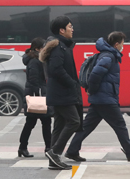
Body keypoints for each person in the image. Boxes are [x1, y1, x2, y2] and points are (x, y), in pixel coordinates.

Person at [66, 32, 130, 162]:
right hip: (105, 99)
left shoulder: (108, 55)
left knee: (87, 126)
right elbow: (95, 74)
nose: (123, 46)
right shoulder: (108, 57)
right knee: (120, 125)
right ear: (116, 44)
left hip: (101, 98)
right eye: (122, 43)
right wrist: (92, 90)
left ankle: (72, 150)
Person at [39, 15, 81, 171]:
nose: (72, 29)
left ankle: (53, 161)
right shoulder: (58, 47)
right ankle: (55, 152)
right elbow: (55, 69)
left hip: (59, 93)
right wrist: (71, 83)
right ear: (61, 30)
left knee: (59, 125)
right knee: (74, 121)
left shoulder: (62, 45)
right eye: (70, 26)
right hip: (61, 93)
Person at [18, 37, 52, 158]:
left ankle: (24, 147)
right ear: (37, 49)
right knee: (40, 122)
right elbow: (34, 81)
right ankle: (47, 148)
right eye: (43, 47)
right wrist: (39, 95)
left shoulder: (37, 59)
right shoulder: (34, 61)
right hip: (36, 96)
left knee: (37, 122)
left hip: (37, 94)